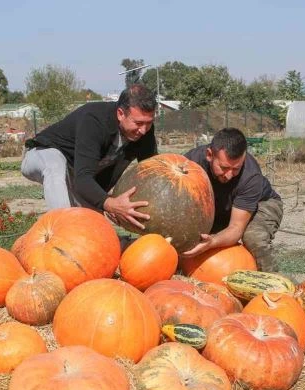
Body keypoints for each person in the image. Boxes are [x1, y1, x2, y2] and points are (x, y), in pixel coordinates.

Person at [20, 83, 158, 230]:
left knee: (93, 230)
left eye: (148, 123)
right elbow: (83, 178)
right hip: (40, 154)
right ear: (120, 114)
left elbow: (151, 171)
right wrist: (110, 204)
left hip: (77, 173)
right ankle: (63, 234)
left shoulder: (144, 131)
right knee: (55, 164)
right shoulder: (94, 120)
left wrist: (115, 203)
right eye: (138, 123)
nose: (143, 130)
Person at [181, 127, 283, 272]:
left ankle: (274, 281)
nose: (229, 175)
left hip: (262, 204)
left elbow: (235, 228)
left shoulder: (251, 177)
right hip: (219, 205)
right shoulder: (190, 162)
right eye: (224, 167)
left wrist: (213, 241)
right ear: (209, 155)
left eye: (236, 169)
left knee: (253, 237)